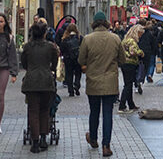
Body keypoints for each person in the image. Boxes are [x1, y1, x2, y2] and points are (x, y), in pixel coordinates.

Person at [79, 11, 126, 157]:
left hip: (93, 81)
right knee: (107, 114)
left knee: (94, 112)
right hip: (110, 82)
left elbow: (81, 60)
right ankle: (106, 145)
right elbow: (123, 59)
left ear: (94, 23)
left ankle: (93, 139)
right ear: (105, 22)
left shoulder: (87, 39)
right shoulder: (115, 38)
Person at [21, 22, 59, 153]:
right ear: (44, 33)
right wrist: (50, 70)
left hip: (31, 81)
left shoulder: (27, 47)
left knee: (33, 111)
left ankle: (35, 142)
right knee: (44, 110)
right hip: (46, 81)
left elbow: (24, 63)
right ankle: (43, 138)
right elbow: (55, 63)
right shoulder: (51, 47)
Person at [119, 25, 144, 113]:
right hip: (130, 63)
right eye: (140, 34)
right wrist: (141, 52)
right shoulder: (132, 41)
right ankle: (122, 105)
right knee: (128, 85)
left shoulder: (125, 40)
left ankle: (131, 104)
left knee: (128, 84)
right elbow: (133, 52)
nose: (140, 36)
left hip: (123, 63)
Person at [59, 23, 83, 96]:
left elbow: (62, 49)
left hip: (68, 59)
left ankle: (71, 91)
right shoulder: (80, 37)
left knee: (69, 74)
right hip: (77, 58)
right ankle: (77, 84)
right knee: (78, 73)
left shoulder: (64, 39)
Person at [136, 20, 157, 89]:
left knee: (137, 66)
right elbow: (153, 43)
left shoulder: (136, 32)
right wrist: (154, 52)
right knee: (145, 66)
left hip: (137, 51)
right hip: (147, 52)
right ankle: (142, 79)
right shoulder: (149, 33)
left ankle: (137, 80)